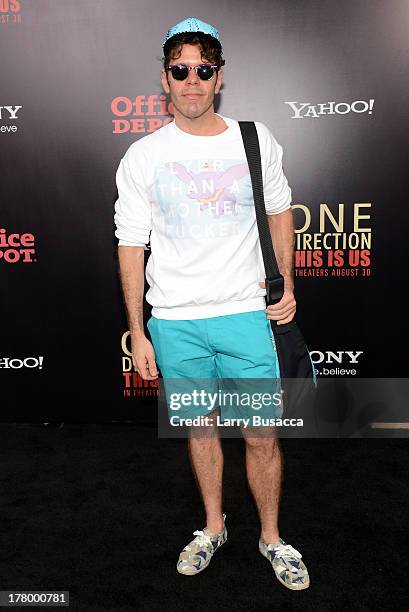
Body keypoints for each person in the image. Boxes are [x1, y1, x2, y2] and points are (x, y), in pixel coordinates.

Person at [114, 16, 310, 590]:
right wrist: (139, 331)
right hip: (176, 323)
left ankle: (272, 538)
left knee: (260, 435)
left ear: (219, 77)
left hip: (247, 316)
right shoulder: (143, 155)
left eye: (203, 70)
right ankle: (212, 527)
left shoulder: (254, 138)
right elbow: (131, 244)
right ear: (165, 79)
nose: (192, 80)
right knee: (200, 431)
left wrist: (288, 285)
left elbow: (279, 211)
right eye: (181, 70)